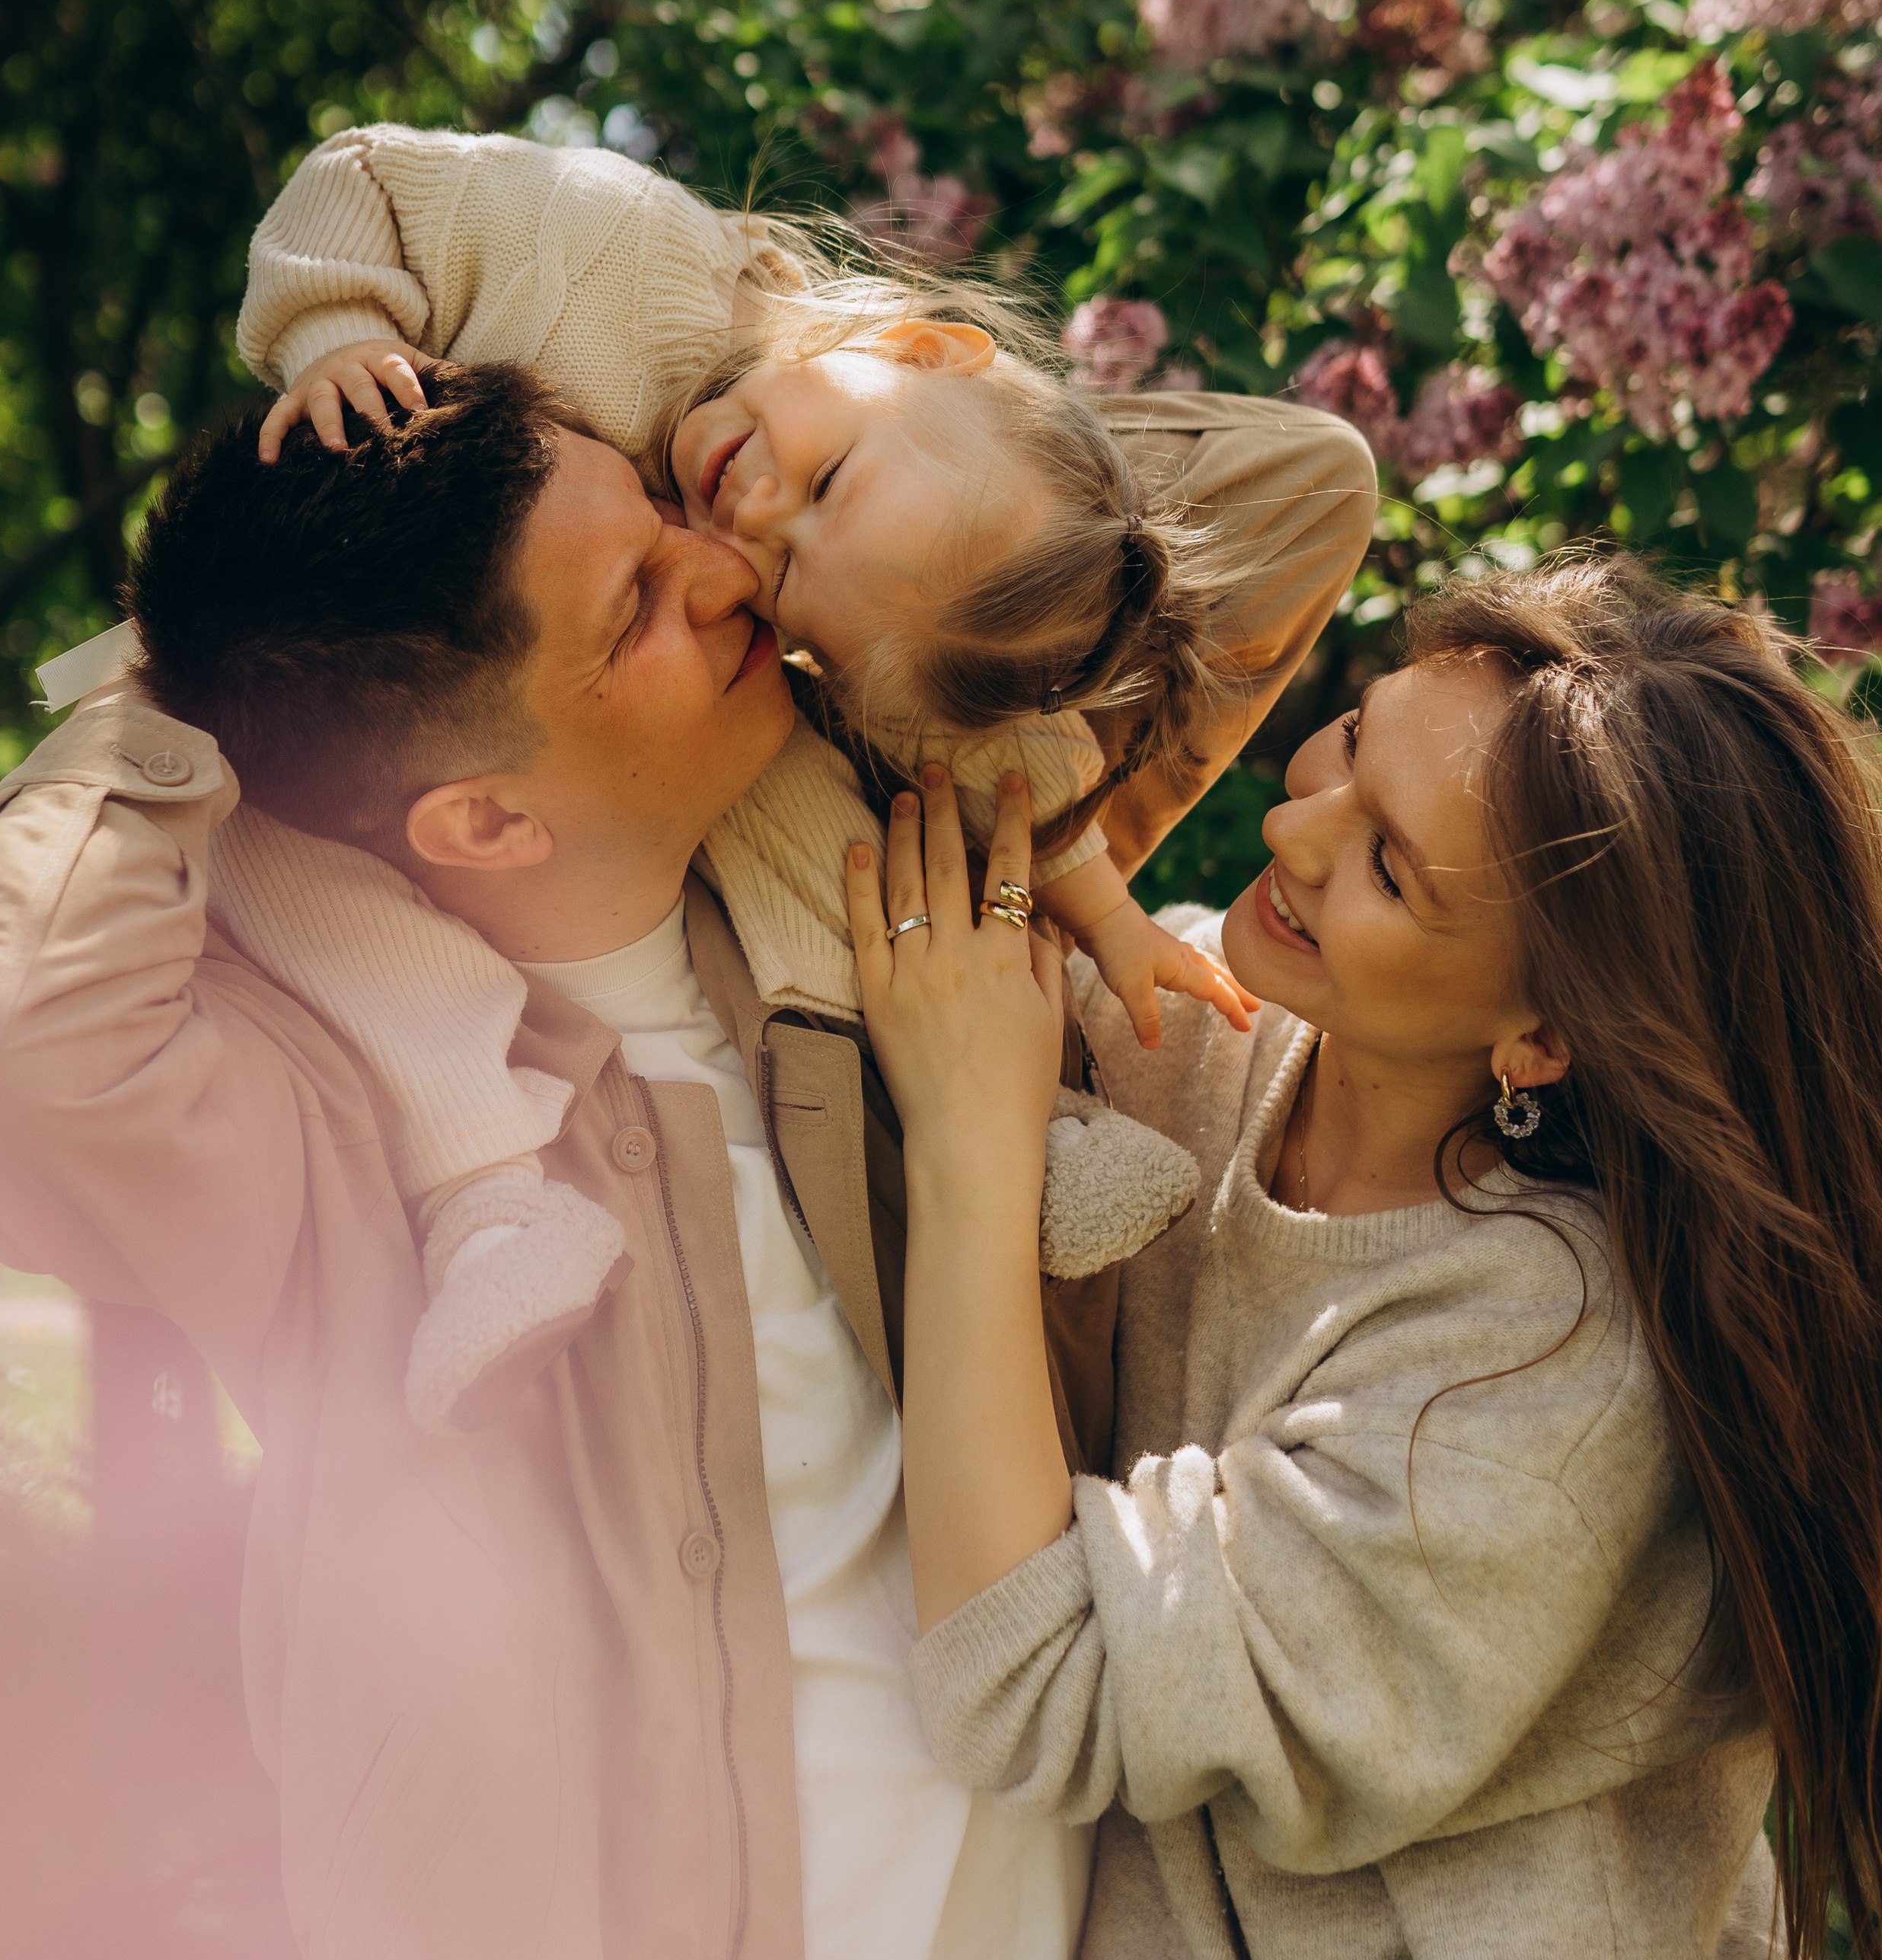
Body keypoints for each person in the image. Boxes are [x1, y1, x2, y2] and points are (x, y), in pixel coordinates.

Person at [0, 355, 1360, 1960]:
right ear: (480, 811)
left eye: (682, 524)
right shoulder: (333, 1135)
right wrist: (191, 680)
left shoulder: (921, 867)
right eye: (639, 600)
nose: (731, 572)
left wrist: (751, 388)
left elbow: (1285, 489)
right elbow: (11, 1032)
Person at [847, 551, 1882, 1960]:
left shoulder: (1540, 1381)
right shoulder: (1218, 1051)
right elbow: (1240, 483)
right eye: (1341, 737)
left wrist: (973, 1137)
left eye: (1392, 863)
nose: (1296, 820)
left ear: (1543, 1035)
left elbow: (1029, 1678)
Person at [197, 123, 1371, 1425]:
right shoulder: (623, 259)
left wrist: (1105, 914)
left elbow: (1021, 729)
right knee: (342, 917)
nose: (751, 518)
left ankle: (1040, 1124)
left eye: (798, 574)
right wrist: (335, 335)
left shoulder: (804, 622)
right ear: (922, 343)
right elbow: (363, 175)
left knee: (871, 837)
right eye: (829, 474)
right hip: (397, 677)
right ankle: (482, 1192)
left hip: (735, 786)